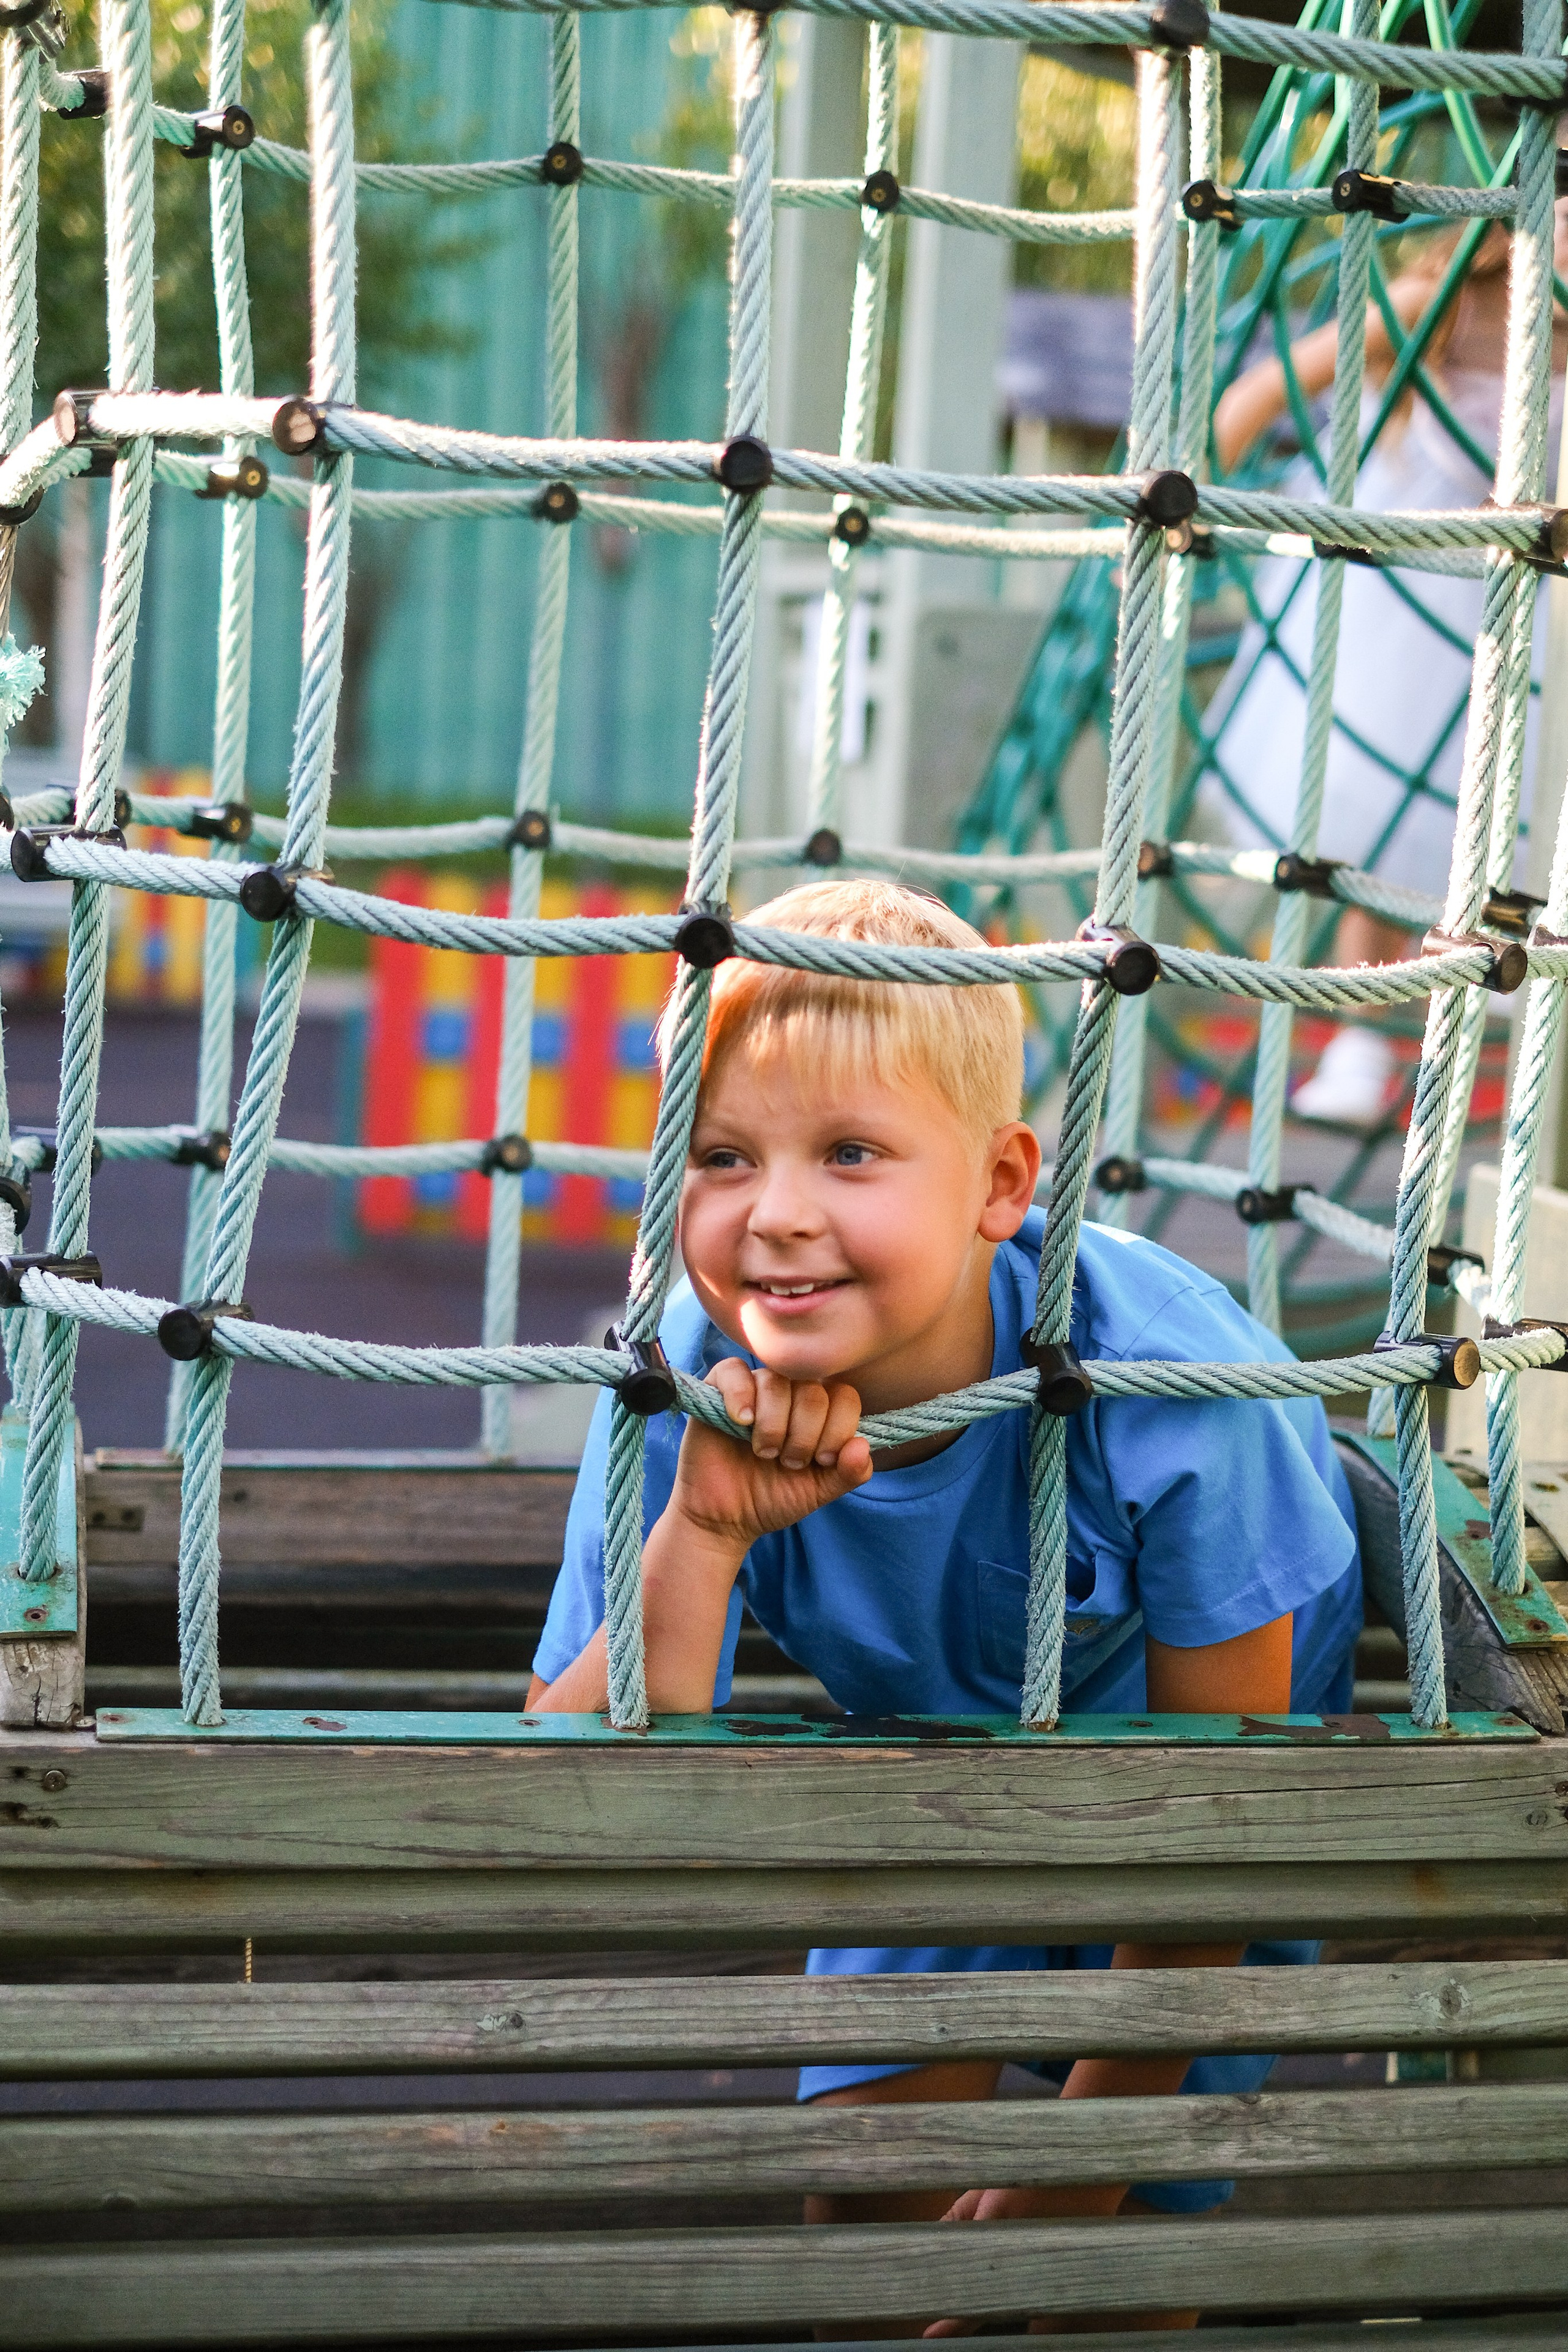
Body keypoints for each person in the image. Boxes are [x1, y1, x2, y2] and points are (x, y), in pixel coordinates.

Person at [527, 876, 1364, 2337]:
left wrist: (1082, 2160)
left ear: (997, 1184)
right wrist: (705, 1534)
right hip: (932, 1781)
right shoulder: (682, 1372)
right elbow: (578, 1764)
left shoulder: (1170, 1391)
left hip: (1178, 1827)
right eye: (722, 1157)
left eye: (850, 1153)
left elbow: (1231, 1832)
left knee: (1096, 2277)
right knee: (869, 2216)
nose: (776, 1217)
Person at [1205, 217, 1566, 1126]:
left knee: (1514, 807)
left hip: (1535, 594)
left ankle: (1501, 985)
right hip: (1415, 576)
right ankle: (1361, 1046)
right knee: (1379, 813)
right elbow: (1258, 397)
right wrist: (1206, 496)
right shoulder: (1437, 304)